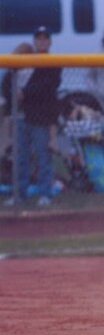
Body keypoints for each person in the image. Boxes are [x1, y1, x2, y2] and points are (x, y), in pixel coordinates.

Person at [4, 26, 62, 207]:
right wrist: (14, 94)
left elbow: (46, 86)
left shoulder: (53, 63)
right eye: (39, 38)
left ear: (50, 41)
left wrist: (24, 93)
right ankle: (19, 193)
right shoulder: (24, 62)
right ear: (35, 41)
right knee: (21, 157)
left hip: (40, 118)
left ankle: (46, 193)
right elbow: (6, 84)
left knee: (43, 156)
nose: (42, 41)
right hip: (20, 116)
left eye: (46, 38)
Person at [1, 42, 34, 153]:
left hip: (29, 111)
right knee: (7, 119)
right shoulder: (11, 73)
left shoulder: (33, 73)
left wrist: (24, 94)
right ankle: (7, 147)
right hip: (12, 110)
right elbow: (7, 93)